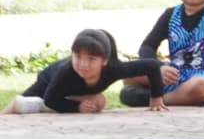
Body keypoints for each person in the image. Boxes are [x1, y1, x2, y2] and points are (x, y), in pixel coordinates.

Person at [2, 29, 166, 115]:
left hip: (77, 92)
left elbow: (151, 66)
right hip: (48, 84)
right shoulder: (65, 72)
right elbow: (51, 99)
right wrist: (77, 107)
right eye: (77, 56)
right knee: (19, 104)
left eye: (92, 59)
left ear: (105, 61)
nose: (83, 65)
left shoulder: (114, 69)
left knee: (99, 101)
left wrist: (156, 98)